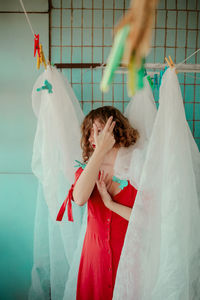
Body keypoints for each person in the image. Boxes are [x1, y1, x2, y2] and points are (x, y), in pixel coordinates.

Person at [60, 106, 140, 300]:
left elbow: (145, 218)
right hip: (94, 263)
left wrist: (111, 205)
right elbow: (79, 199)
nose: (92, 138)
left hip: (129, 260)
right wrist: (100, 151)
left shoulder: (138, 169)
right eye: (90, 133)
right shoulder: (87, 170)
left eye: (98, 131)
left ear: (115, 131)